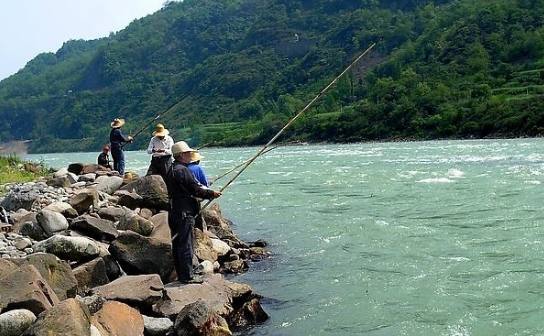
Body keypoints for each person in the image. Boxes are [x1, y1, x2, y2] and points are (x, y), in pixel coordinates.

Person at [165, 141, 221, 284]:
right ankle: (188, 276)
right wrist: (211, 193)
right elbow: (195, 189)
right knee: (186, 244)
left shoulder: (171, 169)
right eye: (188, 152)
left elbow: (189, 188)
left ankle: (183, 273)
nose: (191, 154)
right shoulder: (183, 170)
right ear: (182, 155)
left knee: (178, 243)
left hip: (175, 210)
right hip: (185, 211)